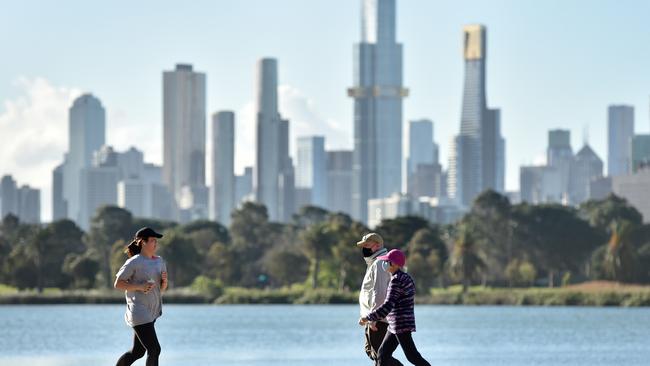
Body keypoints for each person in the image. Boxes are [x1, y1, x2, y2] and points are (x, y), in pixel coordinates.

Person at [359, 249, 431, 366]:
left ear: (395, 264)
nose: (385, 263)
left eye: (388, 261)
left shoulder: (396, 280)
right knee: (382, 355)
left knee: (412, 356)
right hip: (396, 324)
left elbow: (387, 306)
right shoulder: (406, 277)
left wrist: (368, 318)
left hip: (400, 324)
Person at [114, 227, 168, 366]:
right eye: (152, 240)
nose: (155, 243)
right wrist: (140, 286)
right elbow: (118, 284)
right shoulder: (134, 262)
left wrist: (165, 282)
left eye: (156, 241)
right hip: (138, 310)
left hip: (152, 311)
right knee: (154, 349)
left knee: (138, 352)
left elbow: (161, 288)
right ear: (142, 242)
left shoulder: (159, 261)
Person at [357, 233, 403, 365]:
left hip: (379, 321)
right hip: (373, 319)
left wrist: (373, 318)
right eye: (363, 246)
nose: (364, 248)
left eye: (367, 245)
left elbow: (380, 293)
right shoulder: (374, 263)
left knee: (382, 357)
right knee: (373, 353)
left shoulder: (380, 263)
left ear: (377, 245)